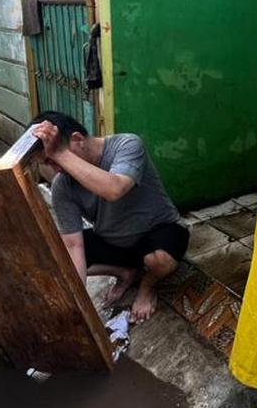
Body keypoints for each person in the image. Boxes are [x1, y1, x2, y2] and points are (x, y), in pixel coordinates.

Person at [31, 111, 188, 322]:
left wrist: (60, 154)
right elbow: (74, 246)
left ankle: (147, 286)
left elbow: (115, 188)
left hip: (156, 231)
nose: (57, 168)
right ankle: (125, 273)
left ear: (77, 139)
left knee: (160, 260)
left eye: (54, 159)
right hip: (114, 240)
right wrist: (78, 304)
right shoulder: (63, 186)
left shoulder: (127, 145)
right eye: (49, 163)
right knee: (55, 254)